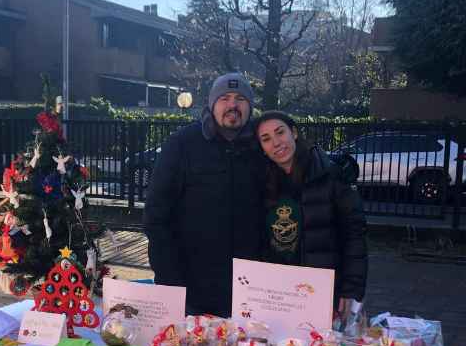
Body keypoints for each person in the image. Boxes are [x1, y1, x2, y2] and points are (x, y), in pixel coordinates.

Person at [144, 73, 266, 316]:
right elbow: (156, 217)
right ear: (212, 104)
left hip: (250, 292)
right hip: (191, 289)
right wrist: (170, 281)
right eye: (225, 98)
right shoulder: (182, 144)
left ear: (250, 107)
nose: (233, 105)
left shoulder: (261, 147)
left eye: (241, 99)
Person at [255, 110, 367, 314]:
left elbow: (354, 235)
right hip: (280, 291)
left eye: (280, 132)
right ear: (262, 148)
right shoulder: (262, 183)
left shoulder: (329, 174)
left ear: (294, 133)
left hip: (324, 290)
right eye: (266, 139)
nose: (276, 143)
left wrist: (351, 288)